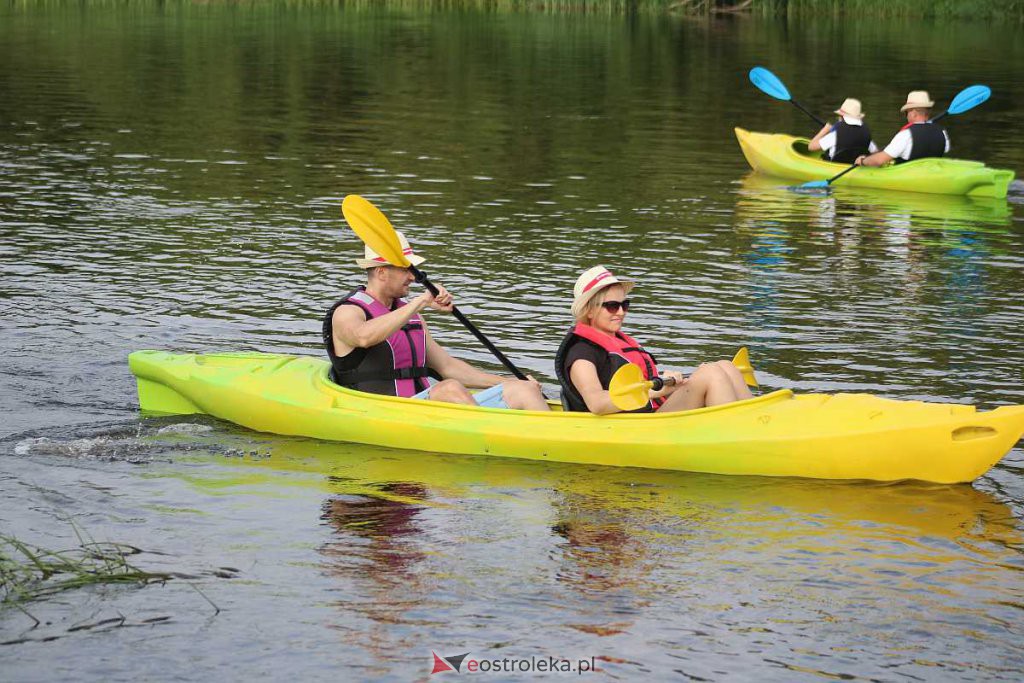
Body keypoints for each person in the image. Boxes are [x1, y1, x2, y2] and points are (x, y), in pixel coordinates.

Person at [323, 232, 549, 410]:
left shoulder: (411, 316)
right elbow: (364, 337)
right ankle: (496, 438)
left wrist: (509, 381)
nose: (412, 277)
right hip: (380, 411)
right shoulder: (348, 312)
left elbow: (447, 367)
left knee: (523, 391)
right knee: (448, 389)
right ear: (382, 272)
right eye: (406, 269)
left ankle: (549, 439)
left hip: (422, 408)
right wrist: (421, 302)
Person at [554, 266, 752, 415]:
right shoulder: (581, 353)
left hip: (650, 415)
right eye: (612, 306)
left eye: (625, 304)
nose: (621, 312)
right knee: (709, 374)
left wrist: (674, 386)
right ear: (588, 310)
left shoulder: (618, 340)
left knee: (725, 366)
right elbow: (596, 404)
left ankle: (756, 422)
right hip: (633, 428)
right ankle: (742, 435)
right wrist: (657, 391)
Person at [856, 90, 950, 167]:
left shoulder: (906, 135)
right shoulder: (942, 132)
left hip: (906, 180)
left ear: (913, 113)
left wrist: (863, 161)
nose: (906, 116)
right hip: (931, 178)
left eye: (906, 112)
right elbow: (943, 149)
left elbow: (879, 160)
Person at [807, 98, 878, 164]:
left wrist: (824, 130)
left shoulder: (836, 135)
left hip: (835, 167)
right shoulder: (865, 133)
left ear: (842, 117)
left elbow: (811, 147)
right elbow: (875, 153)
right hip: (856, 167)